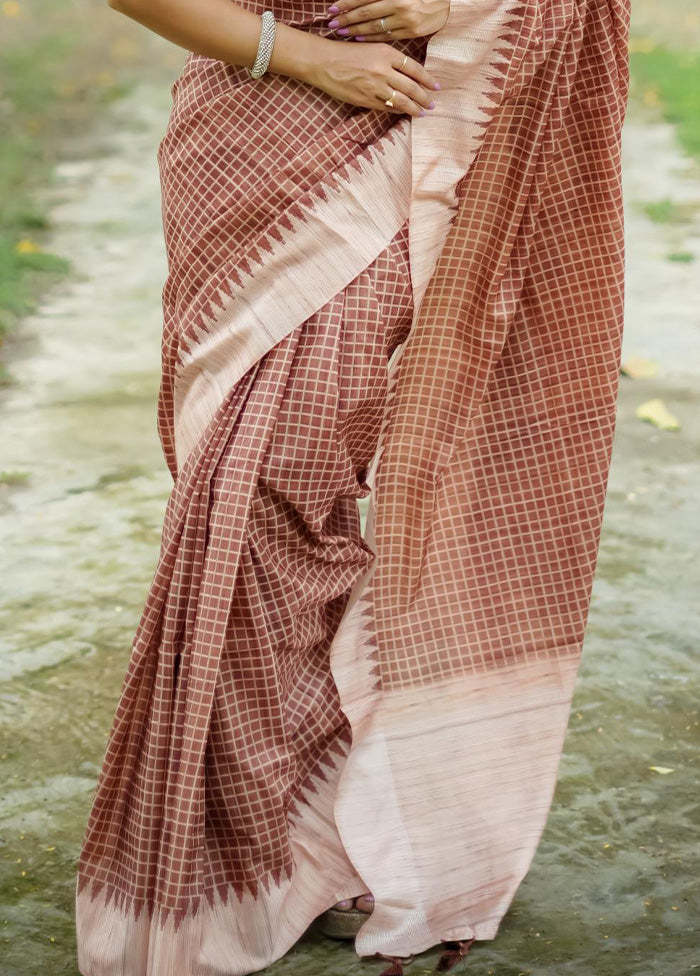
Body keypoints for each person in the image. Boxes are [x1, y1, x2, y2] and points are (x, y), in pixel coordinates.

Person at [74, 1, 631, 974]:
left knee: (321, 489)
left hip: (441, 128)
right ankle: (253, 839)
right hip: (265, 143)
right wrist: (292, 55)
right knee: (257, 496)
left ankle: (329, 818)